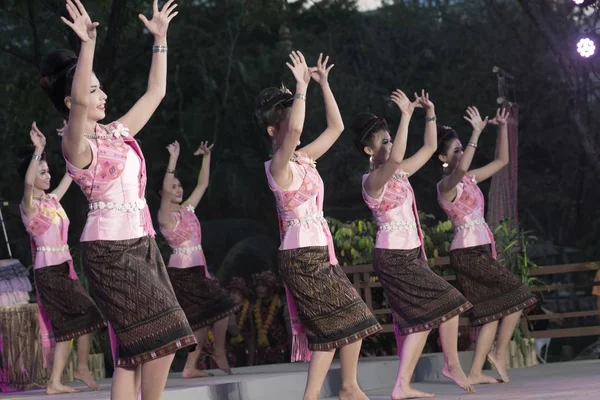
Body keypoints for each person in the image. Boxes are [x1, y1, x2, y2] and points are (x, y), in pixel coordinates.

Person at [39, 1, 195, 398]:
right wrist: (87, 45)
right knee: (168, 329)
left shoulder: (116, 132)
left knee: (132, 352)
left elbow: (155, 92)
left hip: (142, 244)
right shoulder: (76, 144)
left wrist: (160, 40)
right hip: (109, 249)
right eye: (92, 89)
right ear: (73, 102)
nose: (102, 94)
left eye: (100, 86)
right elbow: (77, 107)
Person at [255, 51, 381, 400]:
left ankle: (344, 387)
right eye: (287, 116)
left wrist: (323, 84)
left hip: (320, 250)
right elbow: (295, 128)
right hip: (299, 254)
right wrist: (300, 86)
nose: (296, 120)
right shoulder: (277, 166)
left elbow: (337, 128)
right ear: (272, 130)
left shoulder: (303, 159)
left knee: (344, 324)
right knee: (346, 320)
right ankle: (339, 389)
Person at [352, 89, 474, 399]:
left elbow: (431, 145)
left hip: (406, 254)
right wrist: (406, 115)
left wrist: (429, 112)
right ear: (369, 150)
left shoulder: (400, 174)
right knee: (450, 301)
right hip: (393, 256)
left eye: (391, 139)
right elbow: (394, 160)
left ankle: (402, 385)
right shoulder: (372, 182)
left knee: (424, 317)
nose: (392, 146)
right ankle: (452, 365)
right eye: (385, 141)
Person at [436, 106, 537, 383]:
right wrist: (477, 133)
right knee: (519, 296)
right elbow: (464, 167)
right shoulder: (447, 185)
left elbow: (502, 160)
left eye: (461, 148)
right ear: (443, 158)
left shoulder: (469, 179)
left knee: (493, 311)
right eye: (455, 150)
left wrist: (502, 127)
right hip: (467, 252)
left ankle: (478, 369)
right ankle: (499, 352)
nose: (460, 153)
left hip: (479, 249)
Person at [19, 122, 106, 395]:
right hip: (49, 272)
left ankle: (55, 381)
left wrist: (70, 139)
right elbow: (27, 182)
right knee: (88, 315)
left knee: (71, 325)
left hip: (63, 269)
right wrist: (39, 150)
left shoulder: (52, 201)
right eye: (43, 172)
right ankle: (79, 368)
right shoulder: (28, 206)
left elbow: (72, 173)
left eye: (48, 171)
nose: (48, 175)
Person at [158, 140, 239, 377]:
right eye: (173, 187)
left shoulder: (187, 210)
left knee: (206, 318)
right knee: (221, 305)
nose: (178, 189)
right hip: (183, 274)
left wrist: (206, 157)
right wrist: (173, 160)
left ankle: (191, 367)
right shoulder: (166, 216)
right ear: (163, 192)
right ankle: (218, 351)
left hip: (197, 270)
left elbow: (203, 184)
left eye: (180, 186)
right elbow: (166, 187)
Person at [250, 271, 291, 365]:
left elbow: (290, 334)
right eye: (258, 286)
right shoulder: (253, 309)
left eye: (263, 286)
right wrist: (251, 362)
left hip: (282, 355)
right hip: (262, 357)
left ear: (271, 287)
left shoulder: (282, 306)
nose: (259, 289)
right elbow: (252, 336)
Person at [226, 277, 256, 367]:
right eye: (231, 292)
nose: (233, 295)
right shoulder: (226, 311)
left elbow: (252, 336)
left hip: (247, 350)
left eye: (236, 293)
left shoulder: (251, 310)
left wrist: (251, 359)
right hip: (230, 353)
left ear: (243, 294)